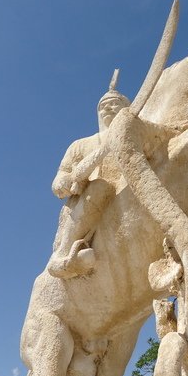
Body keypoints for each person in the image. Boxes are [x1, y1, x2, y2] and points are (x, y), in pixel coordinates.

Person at [47, 70, 130, 278]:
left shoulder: (137, 135)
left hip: (130, 188)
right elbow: (60, 177)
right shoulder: (80, 145)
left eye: (114, 104)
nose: (107, 108)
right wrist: (63, 182)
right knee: (100, 187)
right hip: (92, 197)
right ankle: (64, 255)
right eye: (103, 106)